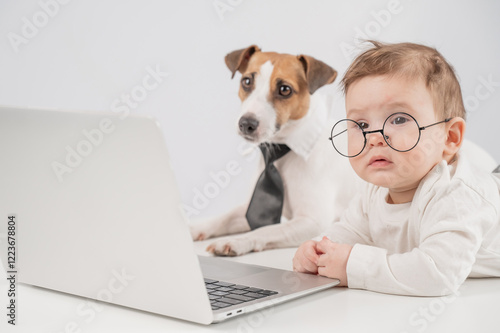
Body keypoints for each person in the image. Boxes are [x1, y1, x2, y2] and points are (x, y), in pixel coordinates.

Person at [292, 41, 500, 296]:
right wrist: (318, 250)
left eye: (399, 119)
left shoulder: (456, 195)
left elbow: (437, 274)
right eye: (361, 124)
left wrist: (353, 266)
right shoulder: (373, 192)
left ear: (450, 138)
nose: (375, 137)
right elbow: (350, 232)